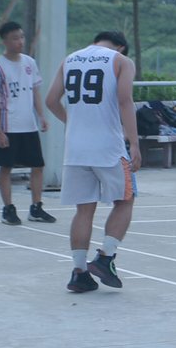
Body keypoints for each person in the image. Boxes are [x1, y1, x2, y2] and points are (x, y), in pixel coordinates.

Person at [45, 31, 140, 294]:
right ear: (121, 47)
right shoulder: (120, 61)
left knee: (84, 210)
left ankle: (79, 273)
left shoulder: (70, 59)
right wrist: (134, 142)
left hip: (75, 148)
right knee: (126, 199)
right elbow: (125, 101)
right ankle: (105, 257)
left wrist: (72, 122)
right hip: (108, 147)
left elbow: (51, 100)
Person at [0, 20, 55, 225]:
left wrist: (41, 116)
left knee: (38, 165)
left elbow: (35, 92)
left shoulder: (29, 63)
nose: (20, 41)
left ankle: (36, 207)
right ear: (5, 41)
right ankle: (8, 209)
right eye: (15, 38)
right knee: (6, 167)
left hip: (28, 125)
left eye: (22, 37)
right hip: (8, 125)